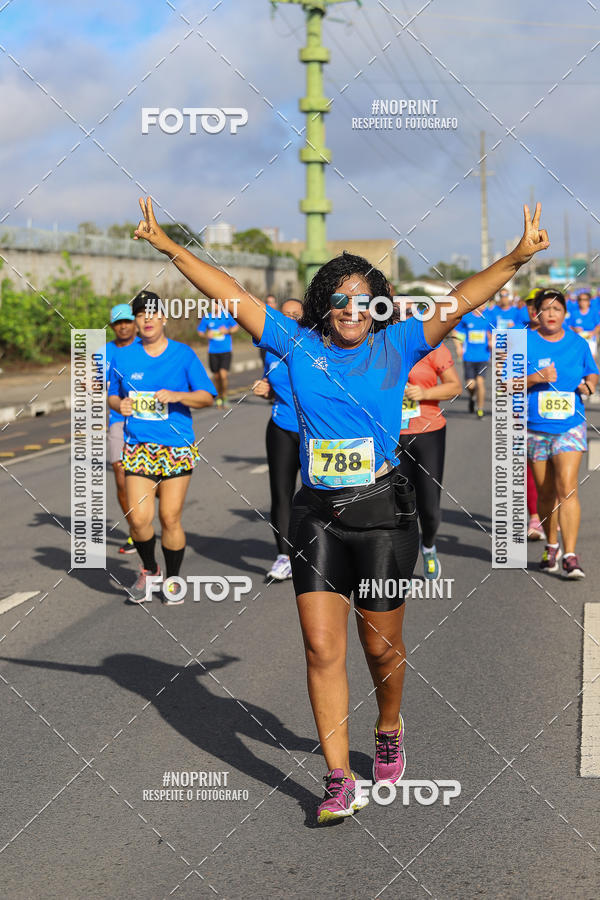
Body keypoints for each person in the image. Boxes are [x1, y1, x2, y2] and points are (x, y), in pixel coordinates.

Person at [133, 195, 549, 823]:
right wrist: (169, 248)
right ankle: (335, 778)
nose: (352, 310)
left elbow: (462, 298)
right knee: (321, 650)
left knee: (381, 647)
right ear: (326, 303)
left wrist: (517, 257)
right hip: (316, 517)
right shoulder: (294, 344)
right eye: (341, 298)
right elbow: (230, 290)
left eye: (364, 299)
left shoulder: (399, 343)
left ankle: (387, 725)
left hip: (383, 516)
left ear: (376, 304)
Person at [108, 290, 216, 604]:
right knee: (139, 519)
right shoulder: (124, 356)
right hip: (138, 446)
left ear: (164, 318)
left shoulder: (183, 355)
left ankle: (172, 580)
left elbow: (207, 396)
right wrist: (122, 404)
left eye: (153, 313)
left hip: (175, 447)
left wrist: (178, 395)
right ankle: (149, 569)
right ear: (136, 321)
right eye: (141, 315)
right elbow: (113, 395)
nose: (147, 320)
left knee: (169, 518)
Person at [526, 289, 599, 578]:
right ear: (537, 313)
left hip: (570, 425)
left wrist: (589, 385)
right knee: (545, 494)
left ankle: (570, 554)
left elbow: (592, 372)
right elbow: (504, 383)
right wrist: (534, 378)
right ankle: (551, 546)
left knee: (567, 487)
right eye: (546, 309)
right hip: (534, 427)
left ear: (565, 314)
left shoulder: (578, 343)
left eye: (557, 309)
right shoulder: (524, 343)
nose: (552, 314)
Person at [396, 307, 462, 580]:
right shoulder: (383, 348)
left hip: (428, 432)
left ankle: (429, 545)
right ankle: (402, 563)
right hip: (391, 435)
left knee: (430, 507)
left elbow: (454, 387)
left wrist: (424, 392)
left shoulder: (433, 348)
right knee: (398, 505)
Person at [252, 298, 303, 582]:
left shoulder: (317, 347)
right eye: (285, 315)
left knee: (318, 494)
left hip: (315, 432)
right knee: (281, 494)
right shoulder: (272, 352)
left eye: (296, 315)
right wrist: (265, 389)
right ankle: (284, 556)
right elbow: (274, 386)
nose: (290, 319)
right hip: (281, 427)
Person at [105, 304, 140, 554]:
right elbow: (98, 384)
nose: (123, 326)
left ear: (134, 323)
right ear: (113, 327)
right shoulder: (104, 352)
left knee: (149, 480)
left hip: (150, 420)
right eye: (118, 323)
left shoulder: (146, 347)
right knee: (119, 474)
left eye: (127, 321)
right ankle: (135, 531)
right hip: (118, 419)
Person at [523, 290, 545, 540]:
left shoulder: (564, 338)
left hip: (557, 418)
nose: (533, 309)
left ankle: (553, 512)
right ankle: (535, 518)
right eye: (530, 305)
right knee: (528, 467)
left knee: (554, 472)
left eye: (537, 305)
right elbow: (504, 381)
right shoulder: (517, 337)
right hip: (524, 413)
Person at [452, 305, 493, 418]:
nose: (484, 306)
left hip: (483, 356)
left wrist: (491, 342)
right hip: (469, 356)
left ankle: (480, 409)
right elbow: (456, 333)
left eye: (485, 303)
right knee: (470, 385)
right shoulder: (466, 317)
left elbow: (493, 333)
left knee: (480, 383)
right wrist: (458, 347)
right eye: (482, 303)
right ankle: (472, 397)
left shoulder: (488, 317)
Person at [197, 307, 239, 407]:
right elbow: (200, 331)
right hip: (212, 351)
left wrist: (227, 331)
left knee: (223, 375)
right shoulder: (207, 317)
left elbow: (236, 327)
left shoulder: (227, 316)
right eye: (213, 304)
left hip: (225, 350)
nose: (215, 306)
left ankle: (224, 396)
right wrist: (207, 335)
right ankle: (219, 396)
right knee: (216, 376)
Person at [568, 291, 600, 359]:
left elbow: (598, 325)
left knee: (590, 360)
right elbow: (568, 326)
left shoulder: (593, 312)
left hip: (590, 340)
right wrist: (574, 329)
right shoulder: (574, 313)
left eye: (585, 299)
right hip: (577, 340)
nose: (582, 302)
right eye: (580, 299)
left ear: (589, 301)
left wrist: (593, 332)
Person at [259, 294, 278, 365]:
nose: (269, 304)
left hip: (275, 348)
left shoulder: (279, 318)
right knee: (266, 369)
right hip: (264, 347)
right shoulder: (261, 317)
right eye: (267, 302)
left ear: (275, 304)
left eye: (271, 302)